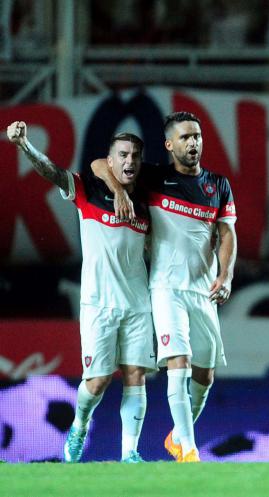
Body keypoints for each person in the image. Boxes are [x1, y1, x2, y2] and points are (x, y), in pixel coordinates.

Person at [6, 122, 156, 463]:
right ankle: (79, 425)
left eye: (135, 156)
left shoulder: (147, 202)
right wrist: (25, 145)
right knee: (98, 381)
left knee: (135, 376)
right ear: (111, 160)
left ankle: (130, 453)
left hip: (137, 304)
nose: (129, 161)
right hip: (98, 304)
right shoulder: (89, 189)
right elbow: (54, 171)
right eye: (122, 155)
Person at [92, 112, 237, 463]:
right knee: (179, 362)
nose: (193, 142)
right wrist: (119, 193)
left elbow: (227, 232)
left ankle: (177, 437)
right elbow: (98, 165)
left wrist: (227, 274)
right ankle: (189, 450)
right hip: (166, 288)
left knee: (205, 375)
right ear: (170, 145)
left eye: (197, 136)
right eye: (185, 137)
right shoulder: (154, 177)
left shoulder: (218, 185)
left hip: (203, 289)